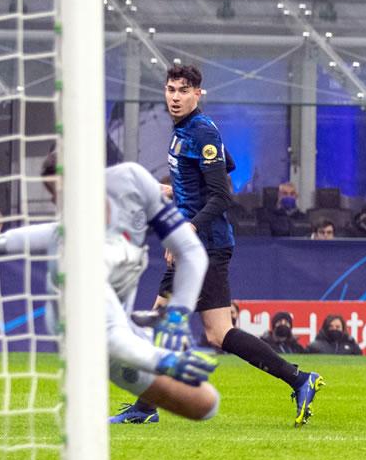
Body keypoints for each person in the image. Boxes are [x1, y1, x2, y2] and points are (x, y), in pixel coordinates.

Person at [0, 156, 221, 425]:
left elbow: (192, 252)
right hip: (85, 335)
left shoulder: (132, 179)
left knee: (205, 404)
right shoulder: (77, 254)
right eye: (56, 198)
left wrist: (179, 314)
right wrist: (161, 359)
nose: (63, 204)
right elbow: (110, 338)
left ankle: (143, 403)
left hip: (122, 321)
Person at [129, 65, 323, 427]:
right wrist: (176, 190)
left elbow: (221, 196)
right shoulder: (187, 131)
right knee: (217, 333)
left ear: (198, 94)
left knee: (165, 320)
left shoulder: (200, 130)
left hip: (204, 245)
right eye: (170, 89)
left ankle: (144, 408)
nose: (174, 97)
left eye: (183, 90)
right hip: (200, 245)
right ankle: (299, 379)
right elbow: (225, 164)